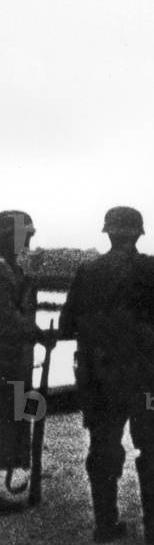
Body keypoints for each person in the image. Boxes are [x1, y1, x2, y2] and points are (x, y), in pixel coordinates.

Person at [59, 207, 154, 545]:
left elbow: (67, 324)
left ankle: (105, 525)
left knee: (102, 447)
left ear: (109, 233)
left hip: (100, 380)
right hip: (147, 381)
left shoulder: (87, 271)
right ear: (139, 234)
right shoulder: (151, 270)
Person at [0, 210, 53, 509]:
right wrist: (35, 331)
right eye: (24, 237)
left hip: (15, 363)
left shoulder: (15, 271)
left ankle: (8, 479)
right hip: (5, 362)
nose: (28, 244)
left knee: (12, 421)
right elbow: (7, 317)